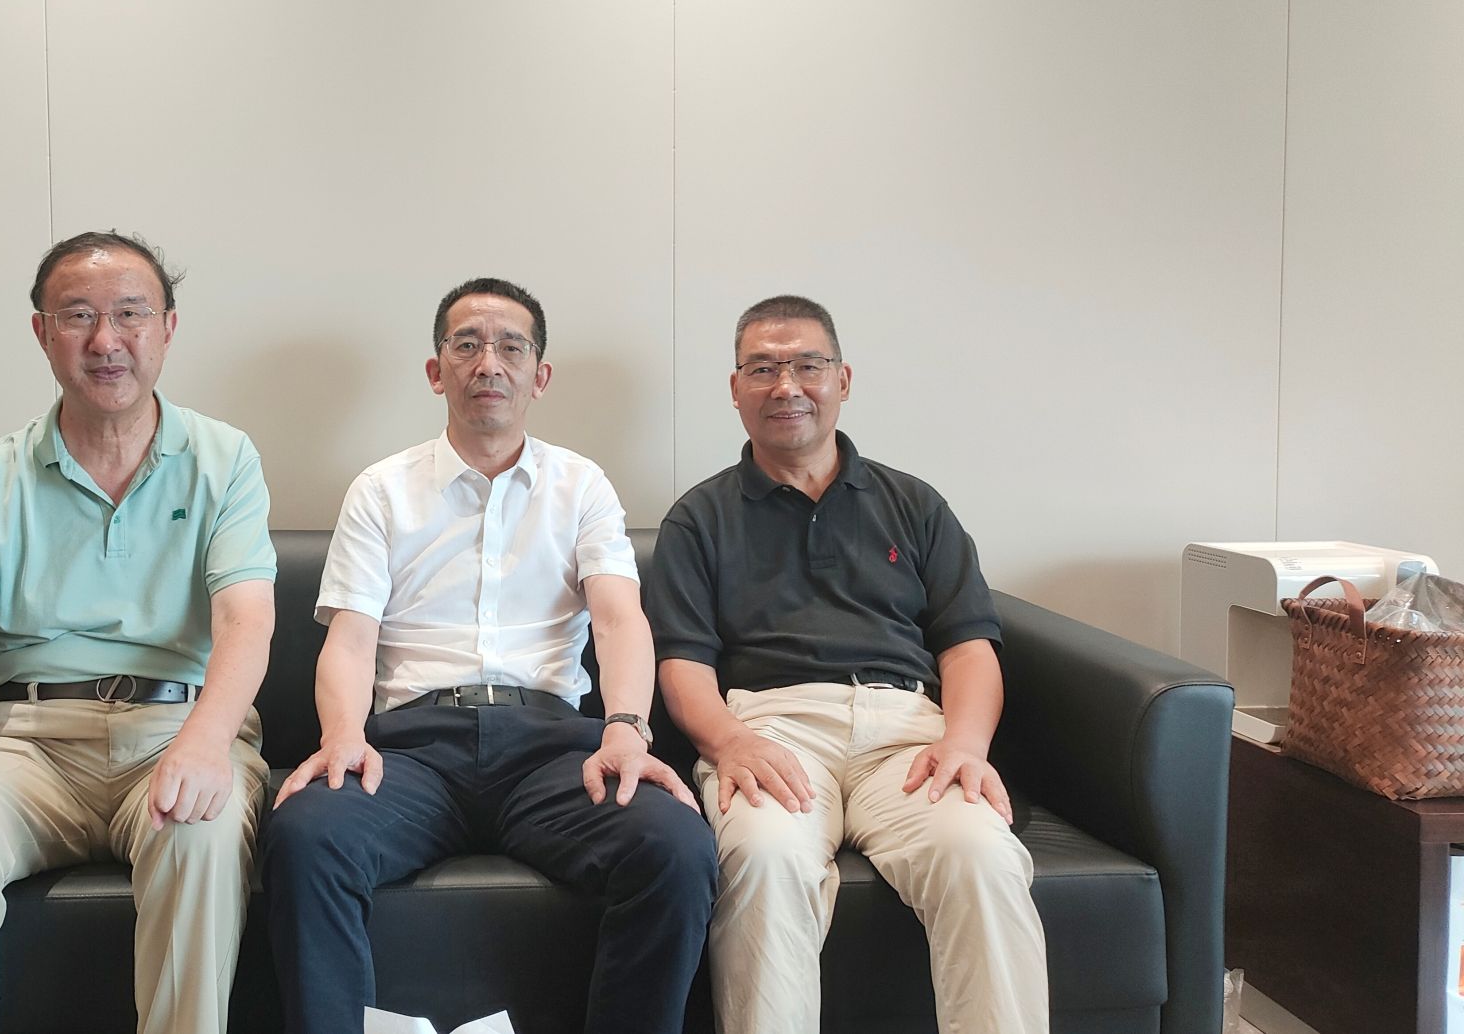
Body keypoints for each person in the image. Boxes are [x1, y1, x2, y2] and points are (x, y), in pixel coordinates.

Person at [261, 277, 717, 1034]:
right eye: (466, 345)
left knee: (674, 845)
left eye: (511, 347)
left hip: (552, 753)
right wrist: (342, 735)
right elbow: (351, 637)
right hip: (412, 753)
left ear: (540, 375)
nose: (488, 363)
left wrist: (627, 729)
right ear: (435, 370)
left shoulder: (582, 486)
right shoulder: (382, 490)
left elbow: (619, 618)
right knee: (307, 837)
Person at [0, 231, 277, 1034]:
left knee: (201, 834)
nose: (106, 340)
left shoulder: (224, 459)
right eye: (79, 316)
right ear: (42, 332)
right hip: (29, 742)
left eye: (130, 314)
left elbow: (246, 619)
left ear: (167, 327)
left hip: (176, 730)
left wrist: (207, 741)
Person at [645, 294, 1048, 1034]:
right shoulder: (699, 519)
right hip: (773, 730)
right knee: (763, 857)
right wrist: (729, 742)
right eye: (762, 369)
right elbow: (682, 667)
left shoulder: (914, 505)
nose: (786, 386)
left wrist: (965, 744)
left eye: (808, 365)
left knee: (981, 855)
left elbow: (968, 646)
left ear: (843, 379)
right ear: (735, 388)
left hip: (909, 735)